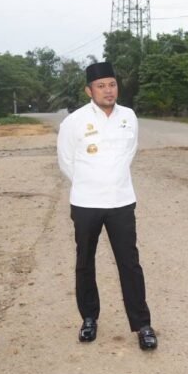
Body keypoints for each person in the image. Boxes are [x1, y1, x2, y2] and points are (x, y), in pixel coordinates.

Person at [57, 62, 157, 351]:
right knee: (85, 262)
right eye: (101, 86)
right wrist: (90, 183)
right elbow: (66, 161)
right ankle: (89, 318)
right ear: (89, 90)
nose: (108, 90)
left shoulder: (129, 116)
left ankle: (142, 324)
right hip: (86, 202)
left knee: (130, 263)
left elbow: (130, 151)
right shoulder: (74, 121)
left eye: (111, 84)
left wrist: (112, 182)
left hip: (121, 201)